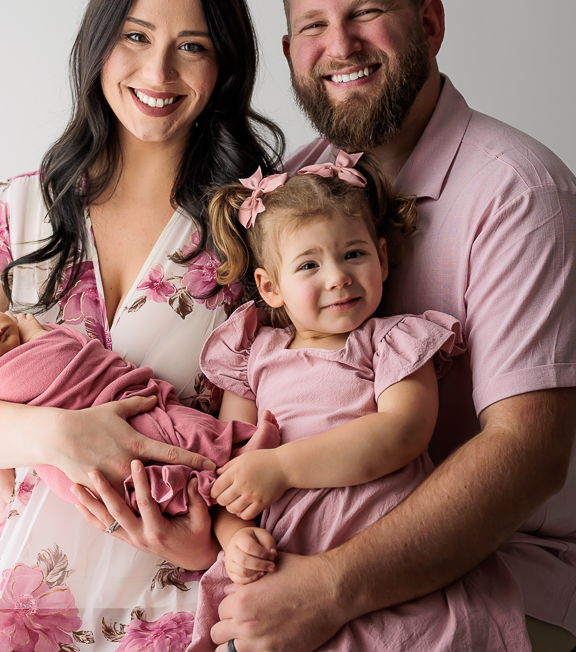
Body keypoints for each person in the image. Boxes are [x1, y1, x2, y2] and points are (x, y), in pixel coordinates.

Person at [207, 0, 576, 652]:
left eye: (366, 12)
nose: (341, 46)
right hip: (309, 544)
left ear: (429, 25)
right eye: (313, 26)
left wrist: (327, 590)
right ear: (292, 52)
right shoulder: (292, 191)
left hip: (498, 564)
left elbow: (527, 455)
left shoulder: (522, 195)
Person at [0, 0, 283, 652]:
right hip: (26, 603)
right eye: (135, 36)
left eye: (192, 46)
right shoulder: (10, 214)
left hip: (172, 602)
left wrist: (209, 544)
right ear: (98, 44)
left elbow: (252, 446)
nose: (158, 71)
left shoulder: (250, 235)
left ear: (224, 66)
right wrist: (60, 437)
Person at [183, 152, 530, 652]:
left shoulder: (392, 341)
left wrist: (282, 467)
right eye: (309, 264)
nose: (338, 277)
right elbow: (229, 473)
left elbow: (402, 431)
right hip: (284, 560)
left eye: (353, 254)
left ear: (382, 259)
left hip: (379, 548)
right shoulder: (251, 355)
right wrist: (235, 537)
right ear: (270, 287)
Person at [0, 294, 280, 512]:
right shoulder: (2, 379)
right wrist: (36, 333)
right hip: (96, 450)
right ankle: (236, 456)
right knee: (176, 437)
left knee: (176, 437)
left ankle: (233, 464)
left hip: (114, 421)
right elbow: (62, 363)